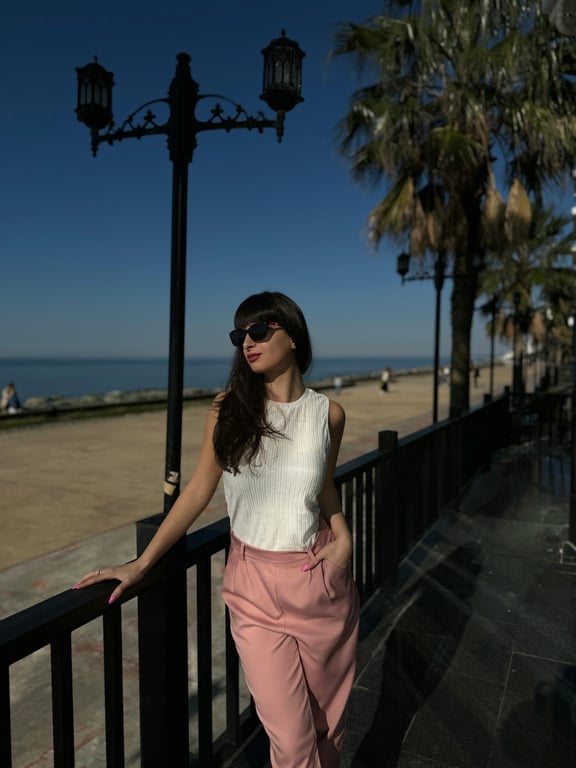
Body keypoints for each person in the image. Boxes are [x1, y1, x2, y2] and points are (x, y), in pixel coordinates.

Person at [72, 291, 360, 767]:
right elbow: (198, 491)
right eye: (239, 334)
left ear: (293, 334)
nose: (246, 342)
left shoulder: (328, 414)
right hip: (253, 590)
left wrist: (343, 536)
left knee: (327, 730)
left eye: (259, 330)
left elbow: (323, 487)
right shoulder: (228, 409)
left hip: (318, 583)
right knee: (291, 742)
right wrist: (142, 564)